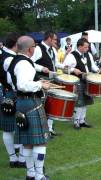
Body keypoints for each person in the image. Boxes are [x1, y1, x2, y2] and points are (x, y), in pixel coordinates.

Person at [8, 36, 50, 180]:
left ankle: (31, 174)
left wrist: (38, 80)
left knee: (27, 142)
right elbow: (22, 84)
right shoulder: (24, 63)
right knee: (40, 141)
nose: (35, 48)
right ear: (30, 49)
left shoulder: (15, 60)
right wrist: (40, 85)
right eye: (34, 46)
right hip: (31, 102)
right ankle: (39, 175)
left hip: (21, 103)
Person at [31, 31, 65, 137]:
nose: (56, 41)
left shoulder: (53, 49)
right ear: (49, 38)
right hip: (42, 80)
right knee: (43, 104)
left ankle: (49, 130)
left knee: (51, 104)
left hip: (51, 78)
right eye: (55, 39)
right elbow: (30, 62)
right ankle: (43, 131)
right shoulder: (38, 49)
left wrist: (66, 67)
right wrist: (41, 68)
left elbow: (55, 64)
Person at [0, 32, 26, 168]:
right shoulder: (10, 59)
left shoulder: (4, 55)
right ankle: (20, 159)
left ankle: (13, 158)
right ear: (17, 44)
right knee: (21, 127)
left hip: (6, 94)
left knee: (8, 129)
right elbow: (15, 82)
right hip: (14, 94)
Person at [63, 38, 100, 129]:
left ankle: (82, 121)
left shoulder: (88, 54)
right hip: (77, 81)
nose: (87, 49)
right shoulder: (72, 55)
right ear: (79, 46)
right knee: (79, 102)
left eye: (88, 47)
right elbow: (65, 68)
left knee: (85, 101)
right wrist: (73, 70)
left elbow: (93, 66)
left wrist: (98, 70)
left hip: (87, 81)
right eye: (85, 47)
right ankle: (76, 122)